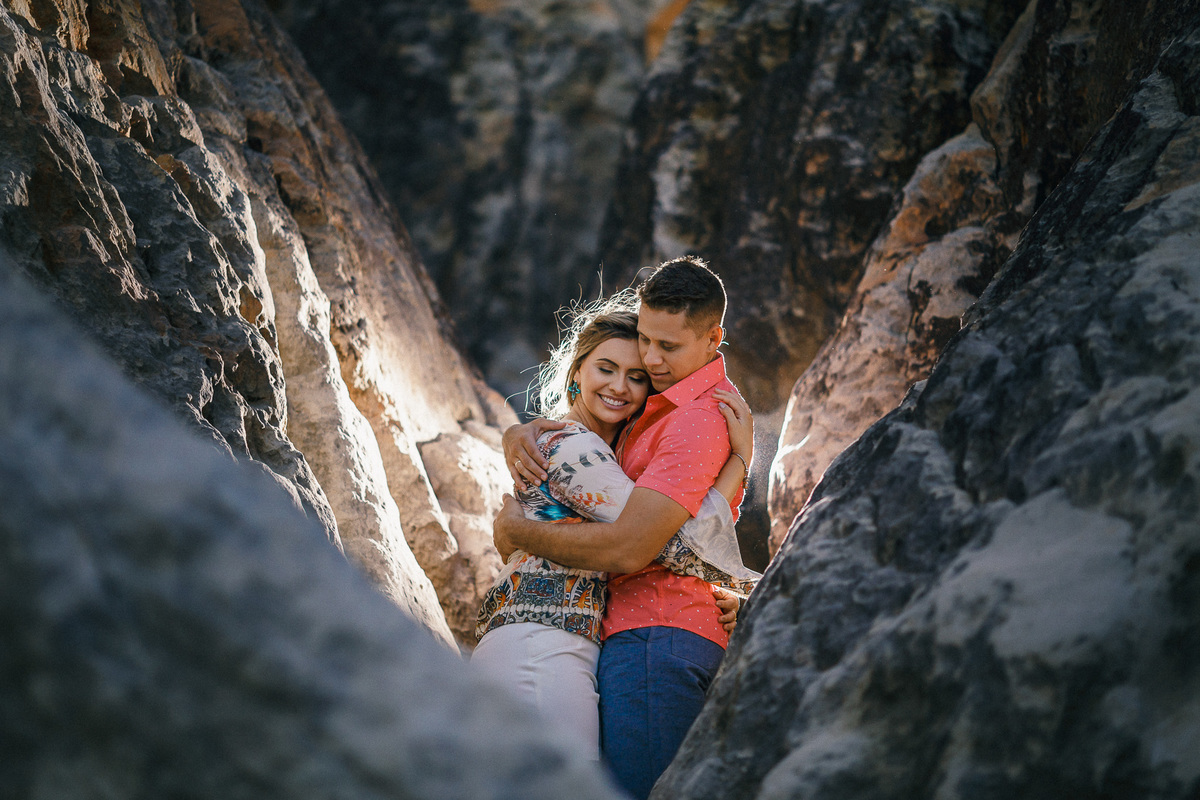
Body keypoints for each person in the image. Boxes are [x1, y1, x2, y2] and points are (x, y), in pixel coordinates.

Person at [494, 255, 753, 798]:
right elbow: (647, 536)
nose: (648, 367)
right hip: (553, 640)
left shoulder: (689, 418)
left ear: (713, 339)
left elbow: (640, 542)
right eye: (609, 368)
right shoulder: (580, 442)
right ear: (576, 373)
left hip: (635, 639)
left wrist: (740, 468)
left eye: (648, 365)